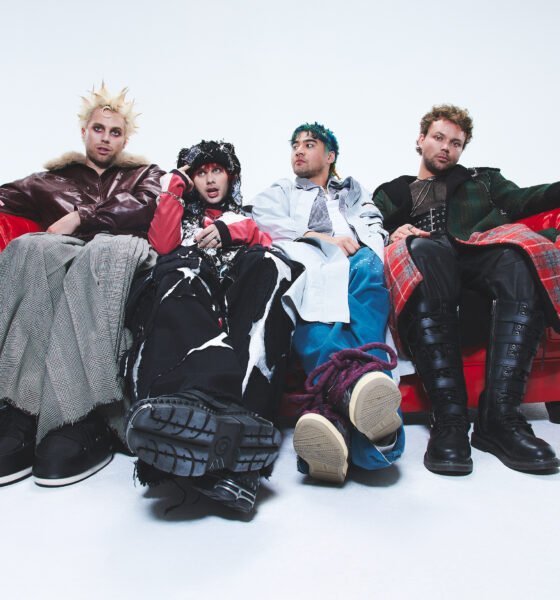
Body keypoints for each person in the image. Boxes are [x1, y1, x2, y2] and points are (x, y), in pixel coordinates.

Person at [372, 104, 560, 474]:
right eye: (438, 138)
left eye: (455, 143)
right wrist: (392, 232)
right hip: (427, 257)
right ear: (421, 140)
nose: (446, 147)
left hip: (475, 250)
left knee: (518, 254)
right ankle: (450, 420)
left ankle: (500, 418)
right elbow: (365, 226)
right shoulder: (393, 192)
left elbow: (527, 199)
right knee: (422, 248)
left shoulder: (482, 181)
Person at [0, 83, 163, 487]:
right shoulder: (47, 181)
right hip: (65, 257)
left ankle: (83, 413)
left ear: (125, 140)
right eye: (98, 129)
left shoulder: (142, 174)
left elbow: (148, 205)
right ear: (84, 132)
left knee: (101, 253)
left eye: (115, 132)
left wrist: (81, 217)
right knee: (31, 248)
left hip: (122, 256)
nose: (106, 138)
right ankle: (22, 408)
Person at [122, 140, 299, 512]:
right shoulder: (179, 215)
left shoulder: (243, 218)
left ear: (230, 176)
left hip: (234, 298)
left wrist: (231, 231)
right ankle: (192, 411)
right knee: (180, 268)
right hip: (190, 294)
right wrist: (175, 185)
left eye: (216, 170)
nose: (210, 179)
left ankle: (246, 425)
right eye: (200, 173)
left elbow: (264, 243)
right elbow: (162, 244)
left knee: (271, 265)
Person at [246, 123, 405, 485]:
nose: (298, 150)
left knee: (368, 277)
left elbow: (373, 222)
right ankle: (377, 443)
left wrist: (367, 241)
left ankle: (333, 415)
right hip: (311, 261)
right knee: (312, 308)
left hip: (357, 261)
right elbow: (264, 220)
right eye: (295, 145)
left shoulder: (354, 191)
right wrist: (320, 238)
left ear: (330, 156)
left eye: (309, 144)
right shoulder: (281, 191)